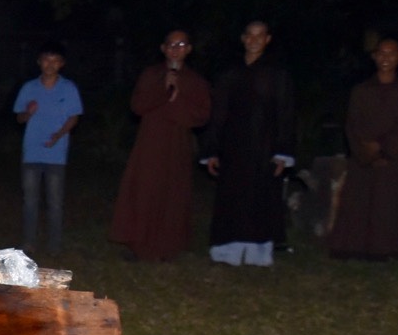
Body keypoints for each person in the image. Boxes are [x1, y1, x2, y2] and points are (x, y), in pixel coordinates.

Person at [107, 30, 212, 261]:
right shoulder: (151, 74)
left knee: (173, 193)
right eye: (171, 44)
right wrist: (163, 90)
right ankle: (139, 244)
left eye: (181, 44)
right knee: (145, 190)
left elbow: (202, 115)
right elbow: (138, 106)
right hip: (150, 144)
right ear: (163, 48)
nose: (176, 48)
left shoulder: (196, 80)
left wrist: (176, 101)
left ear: (188, 49)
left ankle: (169, 246)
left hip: (178, 145)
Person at [200, 21, 296, 266]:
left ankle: (258, 253)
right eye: (250, 36)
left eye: (260, 36)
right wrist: (212, 150)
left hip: (264, 147)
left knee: (260, 199)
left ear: (267, 40)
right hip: (232, 147)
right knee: (231, 198)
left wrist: (282, 153)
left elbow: (285, 114)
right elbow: (218, 114)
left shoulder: (277, 74)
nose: (254, 40)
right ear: (243, 39)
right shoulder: (229, 73)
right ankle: (227, 251)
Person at [327, 39, 398, 260]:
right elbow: (352, 123)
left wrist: (384, 148)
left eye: (391, 54)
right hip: (363, 155)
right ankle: (351, 246)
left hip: (391, 156)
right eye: (381, 53)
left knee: (386, 203)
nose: (385, 58)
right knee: (357, 201)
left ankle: (383, 248)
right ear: (374, 57)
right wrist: (365, 149)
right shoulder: (361, 90)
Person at [13, 41, 83, 256]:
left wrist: (59, 135)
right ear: (39, 62)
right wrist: (29, 113)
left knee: (55, 201)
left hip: (56, 154)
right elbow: (19, 118)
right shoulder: (29, 87)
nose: (50, 64)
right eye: (46, 59)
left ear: (61, 64)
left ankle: (54, 246)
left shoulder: (68, 88)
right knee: (30, 200)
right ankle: (29, 243)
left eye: (55, 60)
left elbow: (74, 117)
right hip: (32, 152)